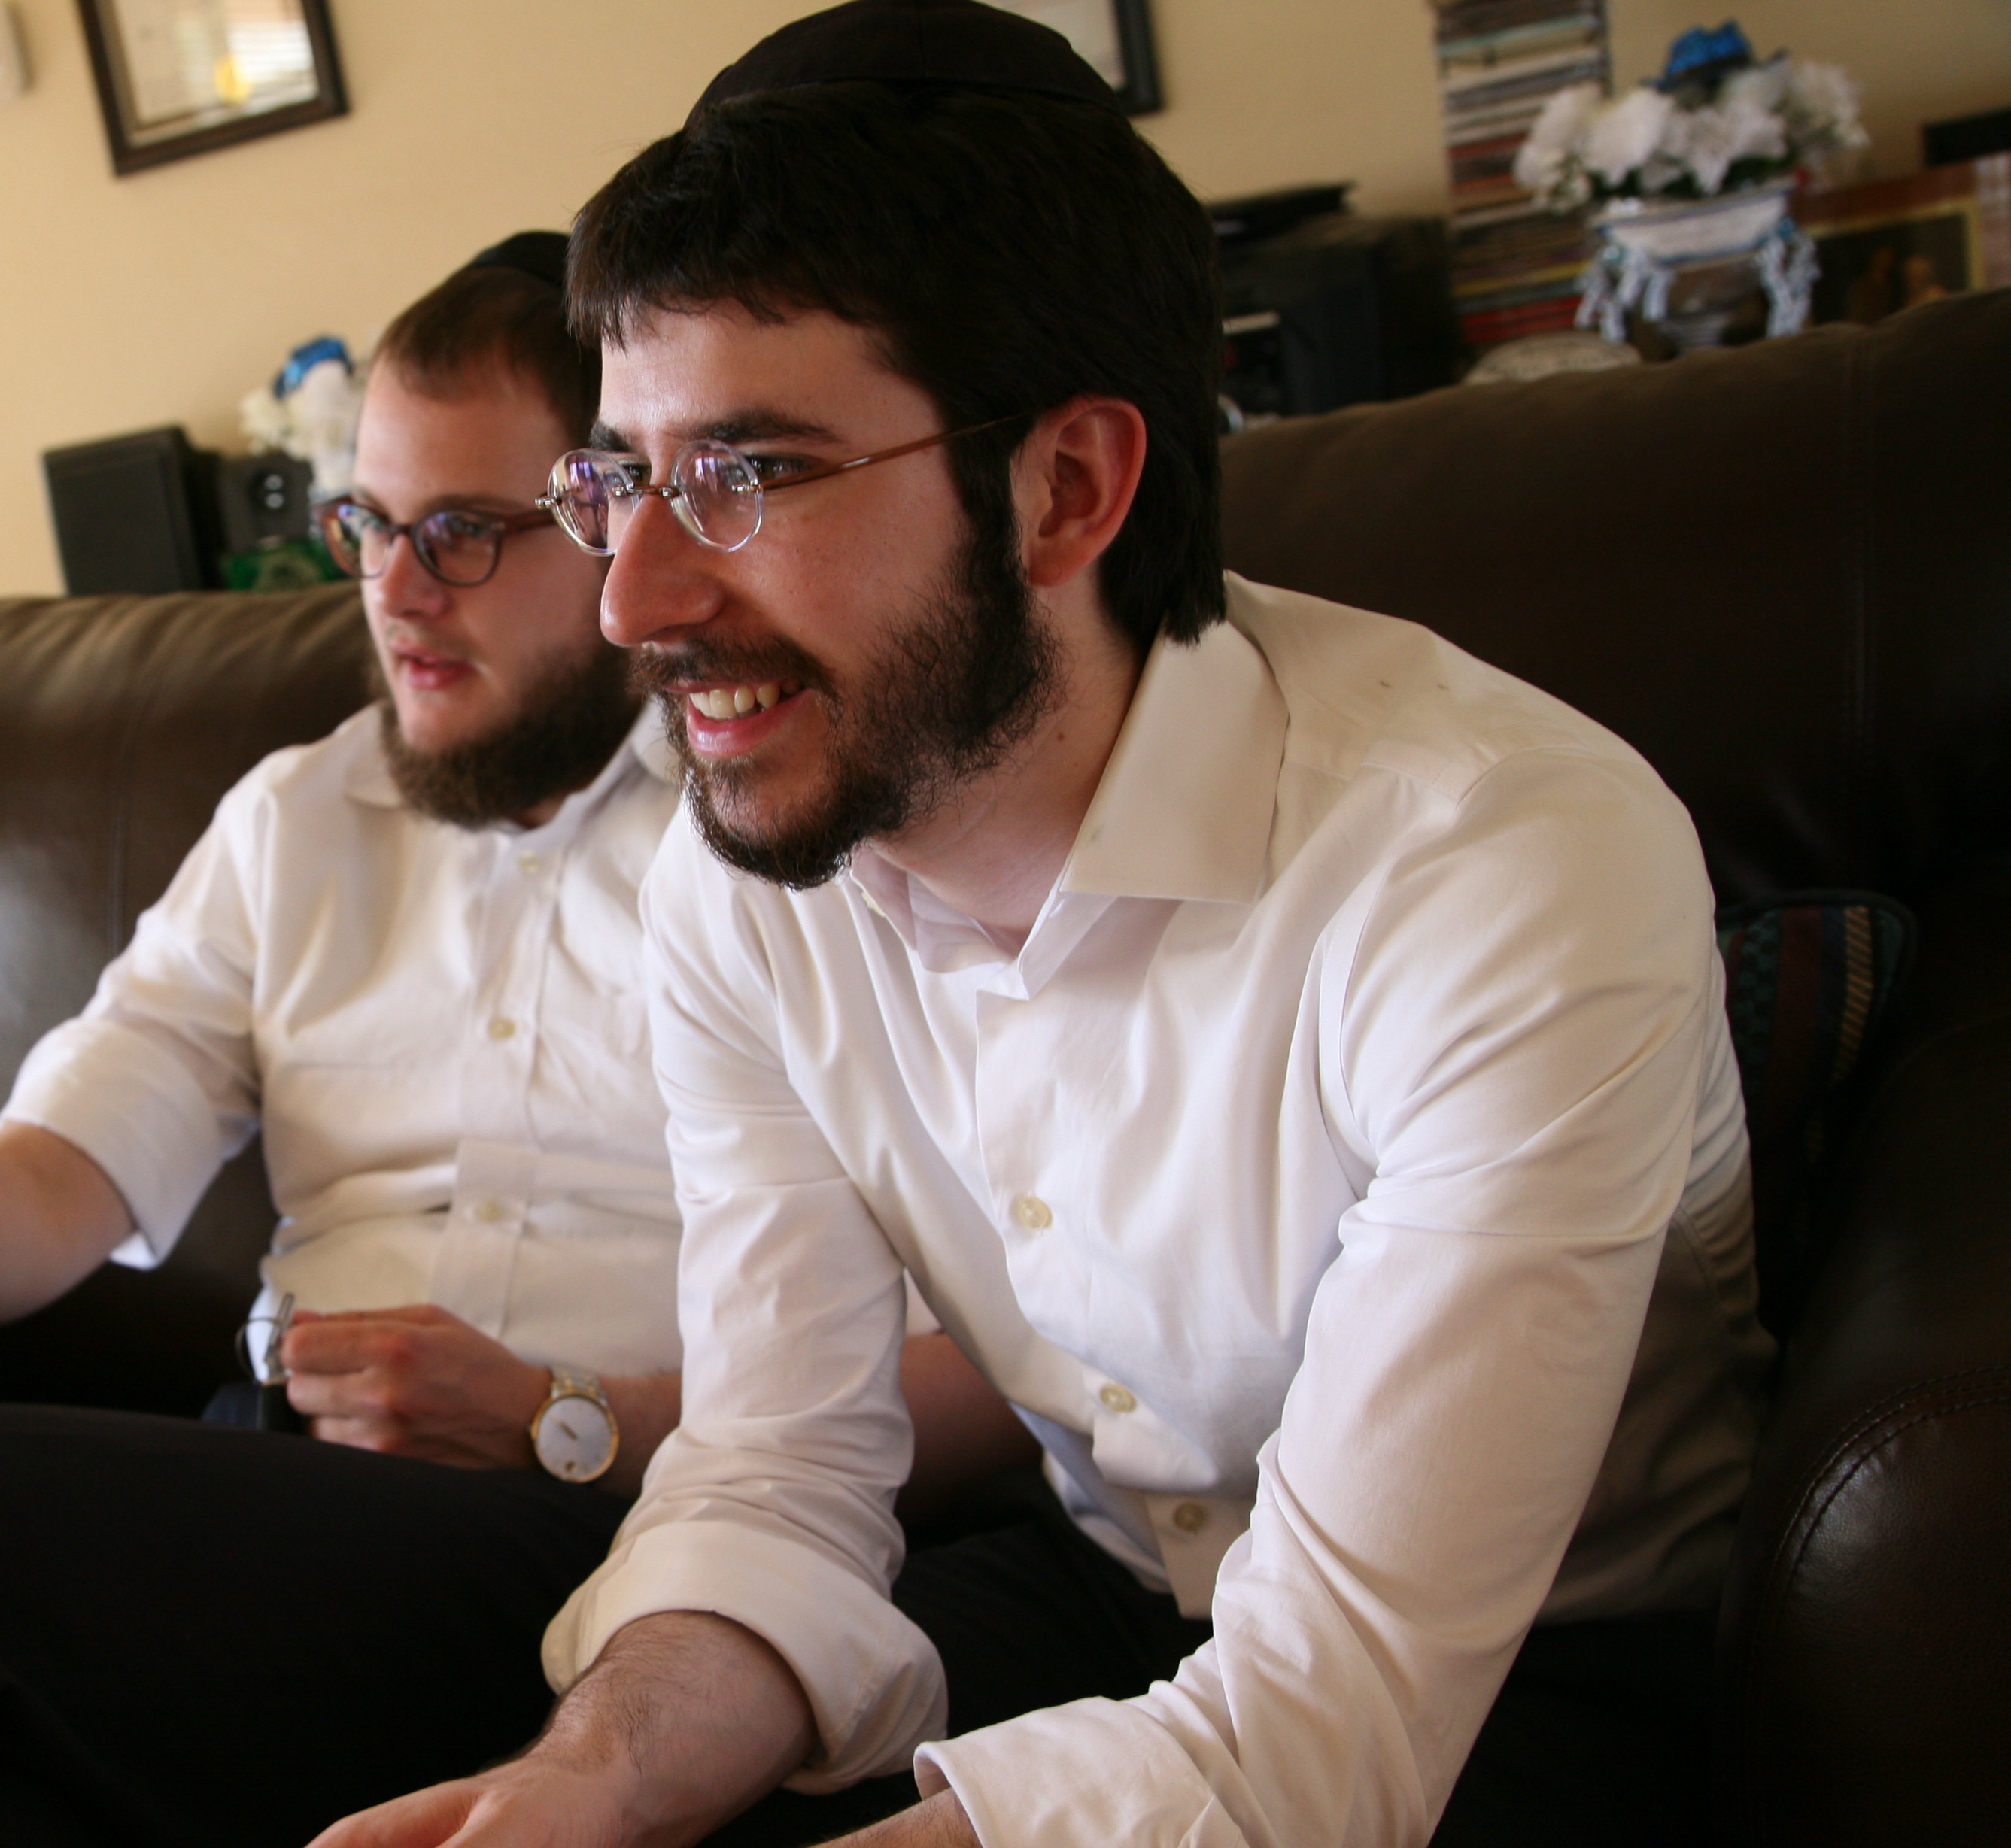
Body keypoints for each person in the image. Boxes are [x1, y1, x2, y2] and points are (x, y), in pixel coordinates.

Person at [315, 8, 1770, 1848]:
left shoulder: (1500, 865)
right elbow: (778, 1466)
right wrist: (580, 1789)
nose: (636, 601)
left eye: (746, 476)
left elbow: (1324, 1737)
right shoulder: (748, 878)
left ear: (1071, 486)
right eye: (621, 478)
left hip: (1550, 1682)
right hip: (1108, 1599)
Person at [0, 236, 1038, 1848]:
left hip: (640, 1540)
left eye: (463, 535)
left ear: (611, 512)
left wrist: (583, 1412)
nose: (394, 591)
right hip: (293, 1502)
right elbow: (49, 1182)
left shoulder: (792, 822)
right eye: (366, 524)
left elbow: (1025, 1339)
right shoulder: (296, 821)